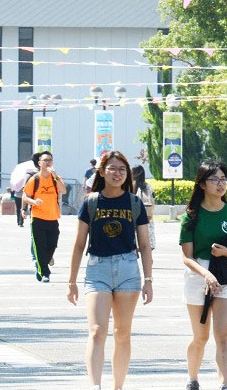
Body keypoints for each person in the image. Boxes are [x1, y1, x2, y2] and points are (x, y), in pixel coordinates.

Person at [67, 150, 153, 390]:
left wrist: (148, 279)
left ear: (127, 175)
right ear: (102, 172)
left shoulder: (134, 203)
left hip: (128, 268)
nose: (117, 173)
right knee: (97, 330)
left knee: (122, 332)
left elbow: (145, 245)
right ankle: (96, 386)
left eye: (122, 170)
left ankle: (118, 386)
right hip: (97, 269)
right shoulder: (91, 202)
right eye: (112, 169)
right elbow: (78, 244)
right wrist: (71, 281)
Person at [179, 160, 227, 390]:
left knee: (223, 334)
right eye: (215, 180)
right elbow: (187, 257)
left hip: (225, 277)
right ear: (201, 184)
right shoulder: (191, 216)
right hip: (198, 275)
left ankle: (223, 385)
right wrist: (206, 274)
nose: (221, 184)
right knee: (201, 337)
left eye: (223, 179)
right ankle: (193, 378)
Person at [23, 151, 67, 282]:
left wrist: (55, 176)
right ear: (39, 163)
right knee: (40, 246)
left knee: (52, 245)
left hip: (53, 217)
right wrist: (33, 202)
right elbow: (25, 197)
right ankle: (44, 272)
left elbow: (63, 190)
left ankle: (43, 263)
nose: (48, 162)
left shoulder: (56, 178)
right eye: (45, 160)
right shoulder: (35, 179)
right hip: (38, 218)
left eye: (50, 160)